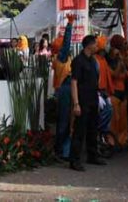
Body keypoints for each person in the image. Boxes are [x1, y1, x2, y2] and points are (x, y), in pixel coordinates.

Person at [69, 34, 106, 171]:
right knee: (79, 130)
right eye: (95, 44)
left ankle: (92, 155)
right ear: (89, 45)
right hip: (82, 100)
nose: (97, 46)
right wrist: (76, 103)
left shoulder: (93, 61)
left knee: (93, 128)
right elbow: (74, 82)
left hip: (93, 98)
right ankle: (75, 160)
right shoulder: (78, 61)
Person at [52, 13, 75, 161]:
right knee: (65, 122)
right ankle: (61, 151)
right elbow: (67, 43)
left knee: (66, 122)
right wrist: (70, 24)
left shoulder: (59, 58)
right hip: (65, 91)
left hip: (65, 90)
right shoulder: (61, 57)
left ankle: (64, 150)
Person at [108, 35, 128, 148]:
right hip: (114, 93)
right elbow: (114, 74)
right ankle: (113, 141)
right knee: (115, 119)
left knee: (123, 119)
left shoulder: (123, 59)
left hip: (123, 92)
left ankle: (122, 141)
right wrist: (120, 62)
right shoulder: (109, 62)